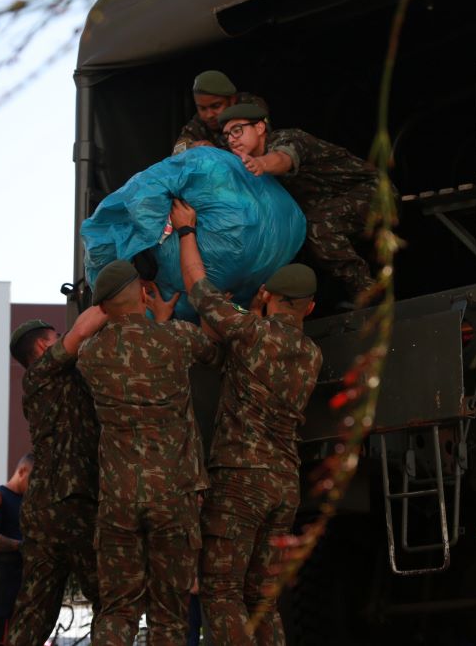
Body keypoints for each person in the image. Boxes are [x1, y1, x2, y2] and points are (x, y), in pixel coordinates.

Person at [171, 199, 324, 645]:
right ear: (310, 309)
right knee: (262, 599)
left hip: (241, 480)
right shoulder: (311, 355)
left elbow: (199, 292)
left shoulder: (251, 331)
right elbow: (249, 347)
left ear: (266, 294)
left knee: (220, 591)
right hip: (284, 484)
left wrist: (185, 231)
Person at [76, 260, 218, 646]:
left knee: (118, 610)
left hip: (119, 498)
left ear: (102, 307)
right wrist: (163, 319)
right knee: (169, 616)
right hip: (174, 494)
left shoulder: (89, 355)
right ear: (142, 291)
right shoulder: (176, 338)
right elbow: (212, 352)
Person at [6, 311, 107, 646]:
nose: (63, 337)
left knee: (36, 606)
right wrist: (113, 295)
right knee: (110, 598)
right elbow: (82, 330)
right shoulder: (43, 371)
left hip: (46, 508)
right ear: (41, 345)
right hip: (72, 502)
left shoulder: (61, 376)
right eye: (55, 336)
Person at [218, 102, 378, 299]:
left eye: (237, 130)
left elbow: (283, 159)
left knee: (318, 225)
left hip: (372, 193)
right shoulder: (247, 167)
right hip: (326, 209)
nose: (232, 140)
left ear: (259, 127)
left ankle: (367, 291)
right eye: (227, 136)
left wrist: (261, 163)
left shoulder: (289, 139)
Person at [0, 453, 32, 646]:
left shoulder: (29, 503)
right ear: (22, 471)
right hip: (4, 577)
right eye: (33, 479)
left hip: (25, 580)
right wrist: (21, 545)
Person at [173, 70, 267, 154]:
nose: (209, 115)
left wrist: (217, 153)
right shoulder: (199, 122)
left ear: (232, 100)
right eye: (202, 108)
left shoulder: (250, 107)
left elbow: (261, 144)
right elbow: (177, 150)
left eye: (216, 106)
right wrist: (193, 147)